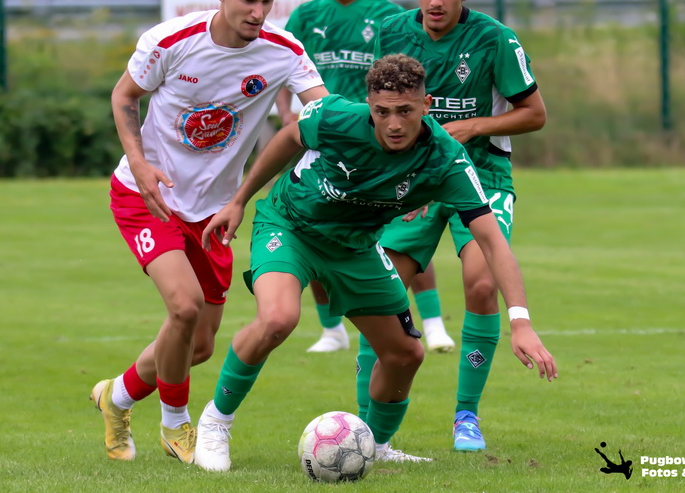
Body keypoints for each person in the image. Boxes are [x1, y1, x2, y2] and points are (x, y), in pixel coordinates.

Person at [192, 54, 556, 472]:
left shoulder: (446, 158)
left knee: (406, 354)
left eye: (405, 111)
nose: (394, 124)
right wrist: (238, 200)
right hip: (291, 226)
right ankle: (216, 422)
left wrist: (521, 322)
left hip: (356, 247)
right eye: (382, 112)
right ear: (369, 105)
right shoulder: (336, 117)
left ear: (427, 105)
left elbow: (492, 242)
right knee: (278, 318)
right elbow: (290, 137)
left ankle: (376, 445)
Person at [89, 0, 327, 464]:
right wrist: (141, 165)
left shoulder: (284, 51)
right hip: (148, 197)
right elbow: (124, 96)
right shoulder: (170, 41)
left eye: (267, 2)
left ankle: (117, 396)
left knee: (197, 345)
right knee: (184, 306)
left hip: (215, 213)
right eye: (248, 0)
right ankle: (176, 425)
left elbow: (324, 113)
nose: (258, 13)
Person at [357, 0, 549, 453]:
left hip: (482, 174)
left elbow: (535, 114)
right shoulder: (393, 33)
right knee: (380, 292)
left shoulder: (495, 39)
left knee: (481, 283)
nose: (436, 1)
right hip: (413, 179)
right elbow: (377, 112)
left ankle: (466, 416)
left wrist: (475, 126)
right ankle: (363, 431)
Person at [276, 0, 455, 354]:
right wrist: (286, 115)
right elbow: (282, 67)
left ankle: (433, 324)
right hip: (323, 138)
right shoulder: (307, 15)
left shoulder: (386, 16)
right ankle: (331, 330)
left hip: (379, 139)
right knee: (316, 226)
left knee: (403, 226)